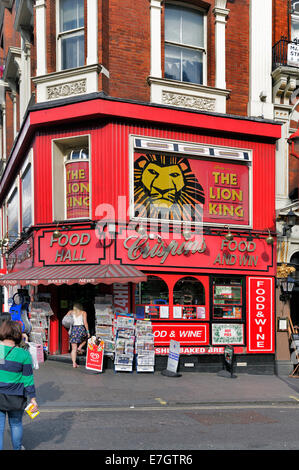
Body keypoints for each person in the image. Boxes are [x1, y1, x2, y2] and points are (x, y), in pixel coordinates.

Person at [0, 320, 38, 450]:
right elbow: (28, 379)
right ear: (18, 334)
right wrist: (33, 399)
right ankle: (17, 448)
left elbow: (2, 362)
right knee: (16, 424)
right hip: (16, 396)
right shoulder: (24, 354)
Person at [66, 303, 90, 368]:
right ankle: (80, 347)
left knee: (73, 349)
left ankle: (74, 363)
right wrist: (88, 332)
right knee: (85, 339)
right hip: (81, 328)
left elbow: (66, 319)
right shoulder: (83, 312)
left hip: (73, 329)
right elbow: (85, 322)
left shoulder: (70, 312)